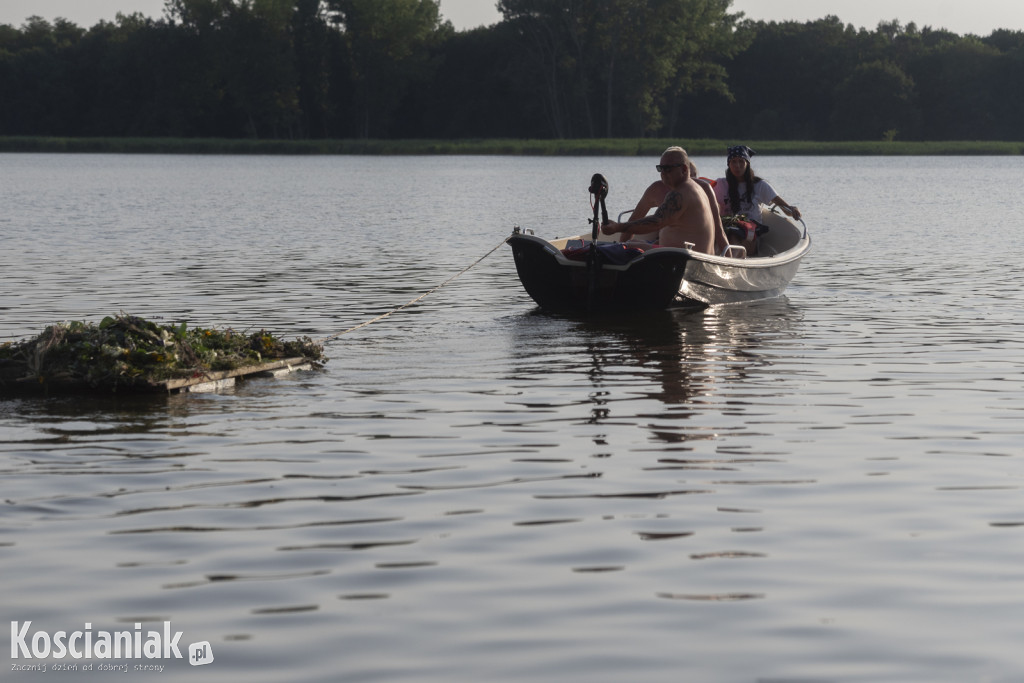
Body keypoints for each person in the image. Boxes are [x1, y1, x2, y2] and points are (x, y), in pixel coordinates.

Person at [606, 147, 728, 255]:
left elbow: (656, 222)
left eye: (668, 169)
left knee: (629, 246)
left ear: (684, 169)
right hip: (683, 256)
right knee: (632, 243)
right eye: (661, 169)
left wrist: (617, 227)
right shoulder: (696, 187)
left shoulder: (681, 193)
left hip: (686, 259)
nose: (663, 173)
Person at [714, 145, 801, 223]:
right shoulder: (720, 184)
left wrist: (792, 209)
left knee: (739, 236)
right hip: (727, 227)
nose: (737, 165)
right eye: (733, 161)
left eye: (741, 161)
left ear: (747, 164)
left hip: (752, 230)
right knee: (731, 235)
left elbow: (785, 209)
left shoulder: (760, 185)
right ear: (729, 164)